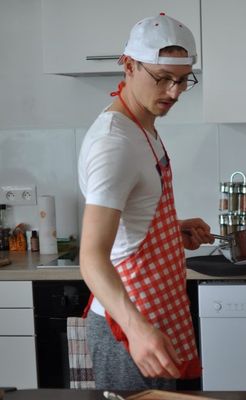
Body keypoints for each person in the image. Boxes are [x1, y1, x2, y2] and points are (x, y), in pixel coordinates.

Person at [78, 13, 214, 391]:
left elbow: (128, 227)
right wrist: (136, 330)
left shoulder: (141, 128)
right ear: (129, 64)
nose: (173, 92)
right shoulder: (114, 143)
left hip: (152, 316)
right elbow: (91, 257)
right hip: (128, 327)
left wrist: (169, 232)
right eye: (162, 78)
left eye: (183, 79)